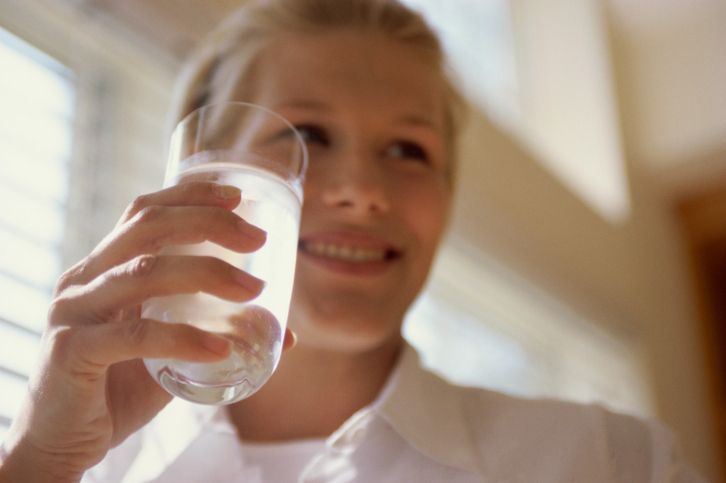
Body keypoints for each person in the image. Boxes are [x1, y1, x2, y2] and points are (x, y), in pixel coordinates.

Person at [0, 0, 708, 481]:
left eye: (408, 150)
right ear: (200, 169)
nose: (363, 190)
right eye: (307, 135)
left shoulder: (609, 461)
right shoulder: (75, 466)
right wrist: (39, 464)